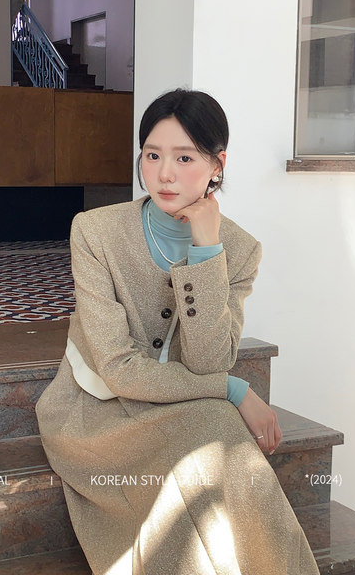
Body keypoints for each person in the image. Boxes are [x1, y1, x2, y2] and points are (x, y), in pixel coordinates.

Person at [35, 89, 320, 574]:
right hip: (97, 413)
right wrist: (233, 389)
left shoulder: (239, 250)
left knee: (216, 441)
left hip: (182, 407)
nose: (164, 173)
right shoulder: (95, 231)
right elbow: (120, 370)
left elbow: (209, 360)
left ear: (217, 164)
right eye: (152, 155)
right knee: (216, 436)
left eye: (184, 157)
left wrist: (206, 250)